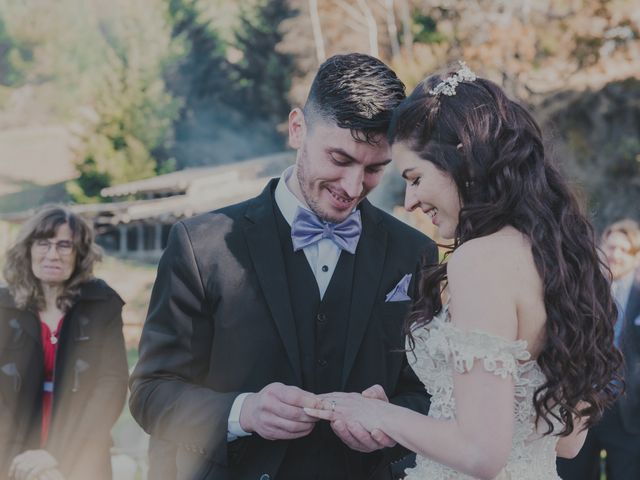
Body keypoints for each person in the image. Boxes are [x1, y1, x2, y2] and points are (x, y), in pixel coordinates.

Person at [305, 62, 623, 479]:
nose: (410, 201)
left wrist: (374, 414)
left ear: (461, 159)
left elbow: (481, 455)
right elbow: (565, 440)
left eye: (415, 178)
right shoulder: (559, 258)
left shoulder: (479, 261)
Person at [129, 53, 437, 480]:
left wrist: (393, 420)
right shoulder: (200, 245)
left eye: (373, 170)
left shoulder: (414, 252)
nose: (352, 188)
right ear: (298, 128)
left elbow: (429, 393)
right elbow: (151, 393)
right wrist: (244, 412)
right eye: (340, 159)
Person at [0, 205, 128, 480]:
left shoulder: (102, 305)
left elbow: (111, 386)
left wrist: (57, 453)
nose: (52, 255)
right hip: (10, 454)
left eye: (64, 245)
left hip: (82, 451)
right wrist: (19, 458)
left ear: (79, 252)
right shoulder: (2, 307)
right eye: (43, 244)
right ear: (28, 249)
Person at [557, 218, 640, 479]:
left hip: (627, 412)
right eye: (611, 246)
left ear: (636, 257)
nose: (615, 254)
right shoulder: (583, 291)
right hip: (583, 403)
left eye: (624, 250)